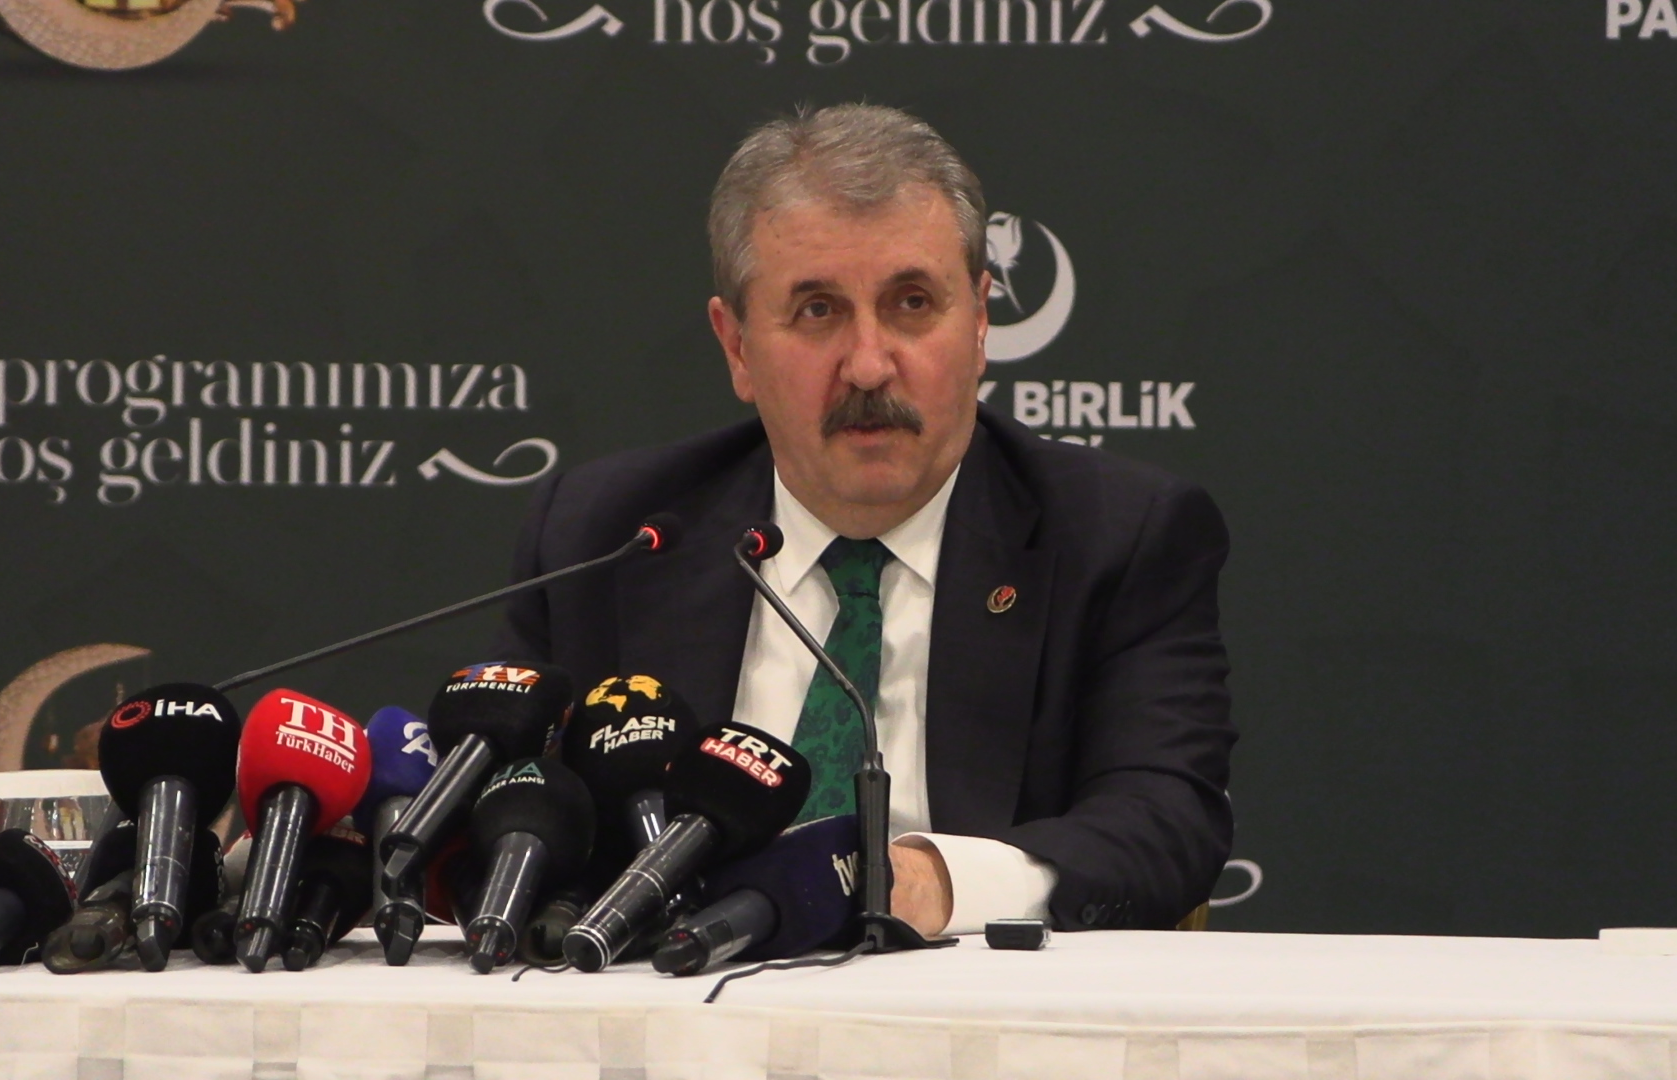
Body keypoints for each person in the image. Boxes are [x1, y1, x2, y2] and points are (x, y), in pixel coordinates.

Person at [497, 103, 1234, 937]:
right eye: (818, 311)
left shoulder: (1117, 536)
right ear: (737, 347)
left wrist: (932, 883)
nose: (870, 364)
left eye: (912, 303)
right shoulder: (605, 536)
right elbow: (515, 806)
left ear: (980, 322)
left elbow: (1166, 817)